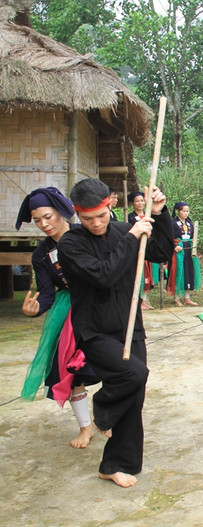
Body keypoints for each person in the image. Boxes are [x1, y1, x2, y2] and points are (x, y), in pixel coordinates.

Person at [57, 178, 174, 488]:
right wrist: (133, 235)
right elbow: (104, 275)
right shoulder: (70, 244)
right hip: (95, 331)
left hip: (130, 325)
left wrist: (160, 215)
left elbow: (161, 252)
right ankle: (103, 411)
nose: (96, 223)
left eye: (101, 215)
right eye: (87, 218)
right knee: (133, 374)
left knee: (135, 396)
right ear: (76, 214)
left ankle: (116, 464)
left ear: (109, 205)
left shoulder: (124, 230)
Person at [16, 187, 100, 449]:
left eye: (48, 216)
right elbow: (47, 294)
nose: (43, 224)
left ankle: (108, 419)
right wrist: (37, 307)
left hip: (99, 305)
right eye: (38, 220)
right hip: (68, 313)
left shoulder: (87, 234)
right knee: (71, 371)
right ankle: (86, 427)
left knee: (113, 365)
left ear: (62, 212)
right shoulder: (41, 254)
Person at [168, 201, 200, 306]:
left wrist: (194, 240)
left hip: (189, 249)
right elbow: (168, 237)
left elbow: (192, 236)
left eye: (187, 211)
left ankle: (187, 297)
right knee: (179, 271)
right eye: (183, 211)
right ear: (178, 211)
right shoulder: (173, 223)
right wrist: (174, 246)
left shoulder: (190, 223)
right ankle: (176, 297)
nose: (186, 213)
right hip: (179, 249)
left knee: (189, 271)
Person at [128, 191, 155, 310]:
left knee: (148, 275)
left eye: (142, 200)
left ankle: (144, 300)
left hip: (149, 247)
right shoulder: (130, 217)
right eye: (137, 201)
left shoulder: (149, 214)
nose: (140, 203)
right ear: (133, 203)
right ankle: (138, 301)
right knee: (139, 273)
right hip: (137, 247)